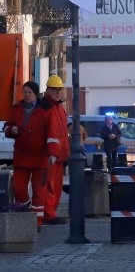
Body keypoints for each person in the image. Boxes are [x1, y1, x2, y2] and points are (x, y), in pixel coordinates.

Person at [3, 80, 51, 229]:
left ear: (35, 94)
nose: (27, 95)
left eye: (29, 92)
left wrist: (53, 153)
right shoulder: (17, 108)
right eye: (24, 92)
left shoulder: (45, 110)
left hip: (39, 158)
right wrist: (11, 130)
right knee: (18, 188)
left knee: (39, 192)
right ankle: (25, 210)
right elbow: (7, 126)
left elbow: (52, 132)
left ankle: (36, 223)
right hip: (21, 157)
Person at [42, 75, 70, 225]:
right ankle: (48, 214)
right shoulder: (47, 108)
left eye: (59, 89)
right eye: (54, 89)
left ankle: (51, 212)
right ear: (48, 90)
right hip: (50, 155)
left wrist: (66, 154)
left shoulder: (59, 109)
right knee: (49, 185)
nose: (57, 92)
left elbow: (62, 135)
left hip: (59, 156)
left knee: (56, 186)